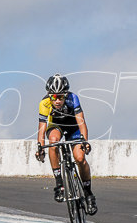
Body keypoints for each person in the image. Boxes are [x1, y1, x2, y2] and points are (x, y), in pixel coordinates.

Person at [34, 74, 97, 215]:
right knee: (53, 142)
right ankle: (59, 184)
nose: (57, 101)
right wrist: (40, 147)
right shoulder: (44, 103)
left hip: (73, 127)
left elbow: (81, 122)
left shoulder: (73, 99)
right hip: (56, 126)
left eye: (60, 97)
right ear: (49, 96)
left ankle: (88, 193)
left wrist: (85, 141)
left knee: (80, 158)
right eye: (54, 97)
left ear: (65, 95)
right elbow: (42, 129)